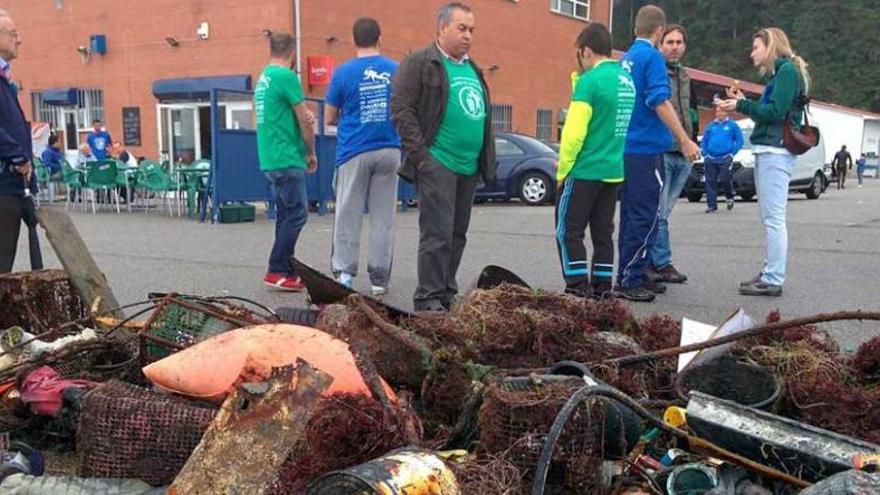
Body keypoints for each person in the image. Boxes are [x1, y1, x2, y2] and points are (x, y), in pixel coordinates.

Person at [392, 2, 495, 311]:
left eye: (472, 30)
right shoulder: (422, 62)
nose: (468, 36)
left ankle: (446, 292)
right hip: (438, 161)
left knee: (456, 234)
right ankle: (428, 298)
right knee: (437, 234)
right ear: (442, 28)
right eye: (462, 28)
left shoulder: (473, 68)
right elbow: (401, 109)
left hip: (468, 166)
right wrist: (422, 157)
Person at [616, 5, 700, 303]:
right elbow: (660, 101)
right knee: (646, 215)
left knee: (630, 215)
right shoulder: (651, 57)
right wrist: (684, 139)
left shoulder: (627, 59)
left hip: (627, 148)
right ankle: (629, 279)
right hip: (647, 148)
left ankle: (632, 273)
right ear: (660, 31)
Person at [719, 27, 810, 297]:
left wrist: (740, 107)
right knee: (770, 216)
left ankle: (773, 277)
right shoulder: (784, 73)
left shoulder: (786, 72)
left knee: (773, 218)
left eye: (756, 47)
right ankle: (770, 271)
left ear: (770, 47)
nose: (752, 53)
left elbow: (774, 112)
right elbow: (772, 111)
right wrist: (744, 102)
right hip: (771, 149)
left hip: (775, 150)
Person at [555, 22, 635, 299]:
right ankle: (603, 287)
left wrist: (563, 171)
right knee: (603, 233)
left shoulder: (589, 83)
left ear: (586, 51)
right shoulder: (626, 79)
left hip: (584, 169)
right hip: (612, 170)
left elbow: (573, 134)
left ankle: (577, 287)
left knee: (568, 230)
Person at [325, 17, 401, 297]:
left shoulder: (343, 73)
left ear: (353, 41)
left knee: (348, 212)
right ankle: (379, 280)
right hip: (390, 149)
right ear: (380, 39)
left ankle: (344, 274)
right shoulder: (396, 70)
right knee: (384, 217)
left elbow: (330, 116)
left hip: (354, 150)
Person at [255, 32, 318, 291]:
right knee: (298, 214)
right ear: (292, 53)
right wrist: (310, 151)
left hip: (270, 157)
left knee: (285, 214)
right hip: (287, 156)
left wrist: (303, 118)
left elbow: (283, 116)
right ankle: (277, 268)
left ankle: (287, 270)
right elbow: (304, 121)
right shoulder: (286, 77)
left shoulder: (264, 78)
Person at [646, 24, 696, 286]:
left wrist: (692, 139)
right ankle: (660, 262)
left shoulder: (685, 75)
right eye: (669, 42)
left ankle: (655, 261)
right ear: (660, 44)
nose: (675, 46)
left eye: (679, 42)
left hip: (684, 153)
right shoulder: (656, 71)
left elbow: (689, 110)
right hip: (664, 150)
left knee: (665, 212)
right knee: (659, 212)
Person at [0, 9, 37, 274]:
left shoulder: (6, 79)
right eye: (13, 34)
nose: (19, 39)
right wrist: (17, 155)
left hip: (13, 186)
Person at [701, 106, 744, 213]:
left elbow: (739, 140)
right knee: (710, 182)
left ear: (726, 112)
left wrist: (732, 154)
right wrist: (705, 154)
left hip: (725, 158)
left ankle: (729, 197)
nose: (719, 113)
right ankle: (711, 206)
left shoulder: (732, 125)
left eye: (721, 111)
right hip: (710, 158)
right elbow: (704, 141)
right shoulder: (710, 126)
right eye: (717, 111)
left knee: (725, 179)